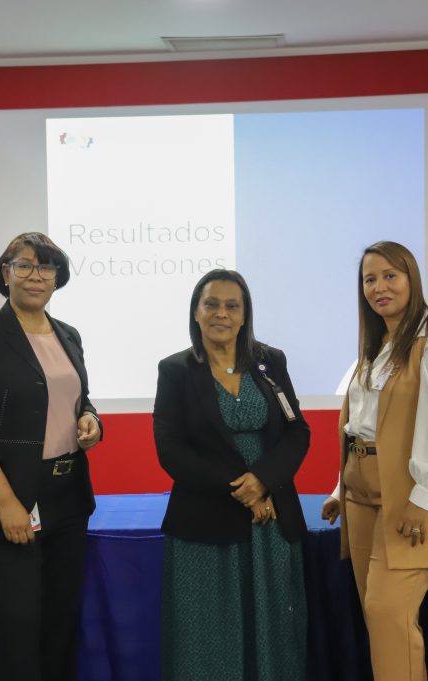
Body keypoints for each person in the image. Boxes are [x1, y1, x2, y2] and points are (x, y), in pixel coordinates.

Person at [320, 241, 428, 681]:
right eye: (370, 279)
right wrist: (339, 488)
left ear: (412, 278)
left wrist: (423, 497)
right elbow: (362, 425)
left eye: (390, 275)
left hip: (407, 495)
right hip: (359, 495)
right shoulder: (375, 345)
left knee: (387, 611)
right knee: (379, 620)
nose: (379, 287)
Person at [0, 232, 102, 681]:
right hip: (7, 501)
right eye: (25, 265)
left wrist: (91, 419)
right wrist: (7, 503)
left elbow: (80, 398)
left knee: (60, 630)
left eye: (46, 267)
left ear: (58, 277)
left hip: (67, 499)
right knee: (17, 637)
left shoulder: (69, 334)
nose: (36, 275)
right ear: (6, 272)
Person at [153, 269, 310, 681]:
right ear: (196, 312)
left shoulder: (270, 361)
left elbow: (297, 431)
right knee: (207, 637)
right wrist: (243, 489)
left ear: (244, 315)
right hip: (205, 525)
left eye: (231, 306)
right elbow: (171, 450)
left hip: (271, 522)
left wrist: (264, 482)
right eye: (211, 304)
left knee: (275, 633)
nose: (221, 313)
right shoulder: (176, 370)